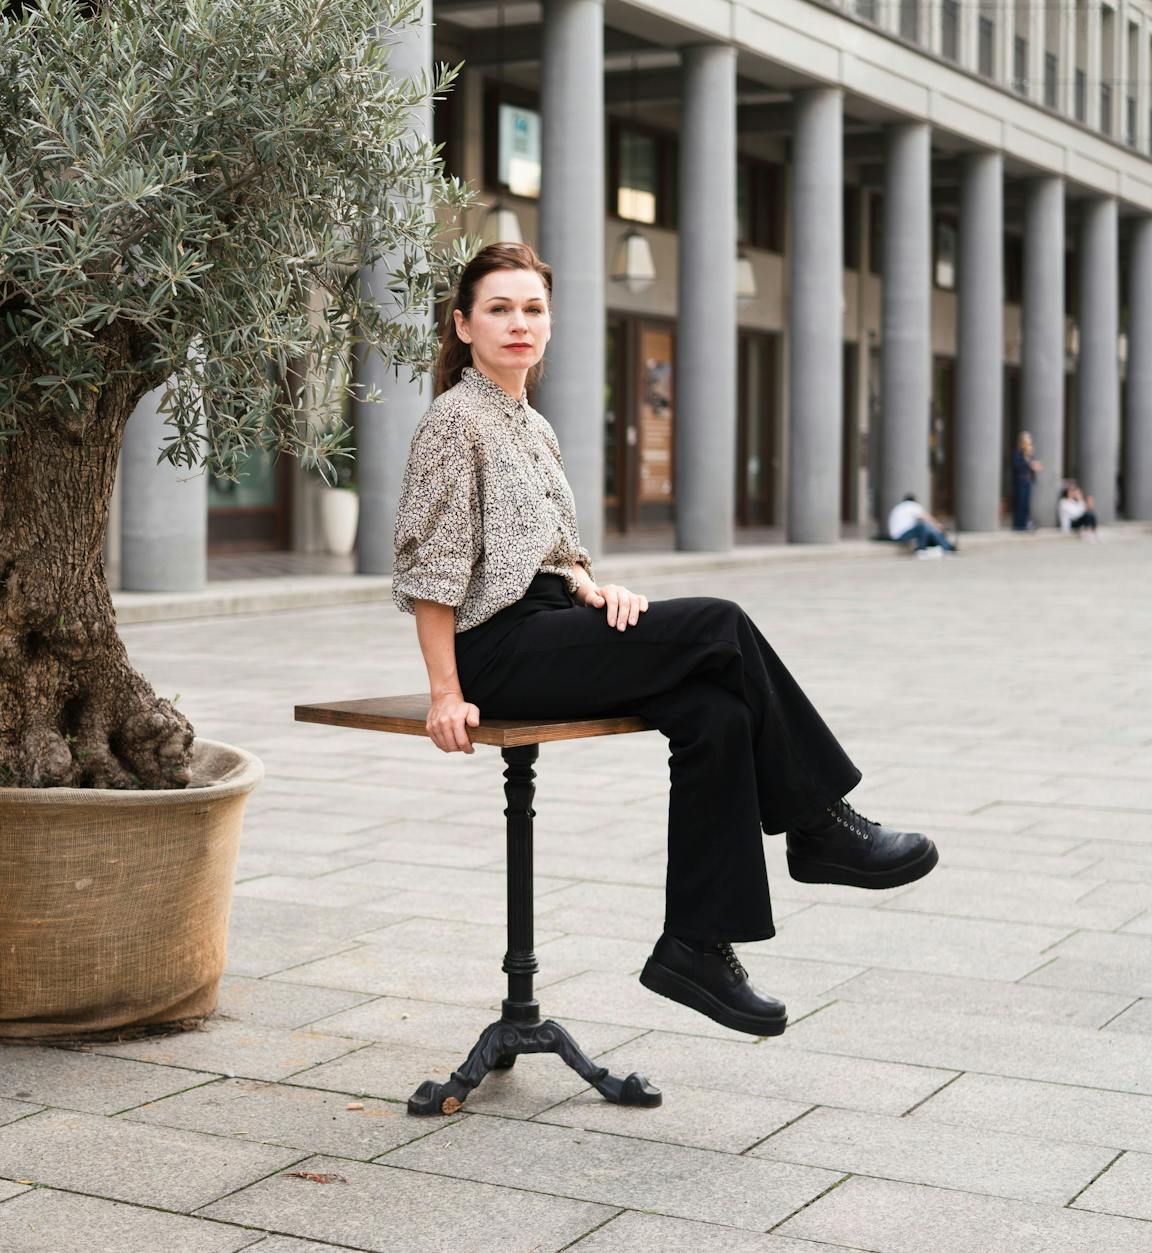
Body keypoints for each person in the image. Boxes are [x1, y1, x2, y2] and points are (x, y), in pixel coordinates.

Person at [391, 242, 939, 1041]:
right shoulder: (454, 420)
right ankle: (820, 824)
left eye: (533, 308)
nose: (518, 323)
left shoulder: (532, 425)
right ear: (463, 324)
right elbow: (431, 571)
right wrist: (445, 691)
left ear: (550, 324)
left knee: (716, 710)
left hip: (552, 621)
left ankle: (696, 944)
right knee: (720, 621)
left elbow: (549, 550)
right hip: (499, 648)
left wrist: (590, 585)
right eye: (500, 309)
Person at [886, 493, 957, 558]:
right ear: (914, 500)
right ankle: (922, 549)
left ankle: (945, 546)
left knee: (925, 529)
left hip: (896, 536)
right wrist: (939, 526)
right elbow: (927, 518)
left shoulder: (899, 507)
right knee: (923, 527)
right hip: (903, 536)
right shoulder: (912, 505)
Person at [1011, 431, 1042, 531]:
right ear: (1022, 442)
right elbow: (1017, 466)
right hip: (1020, 482)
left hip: (1028, 482)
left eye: (1030, 442)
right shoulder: (1017, 454)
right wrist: (1029, 463)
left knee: (1026, 504)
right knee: (1019, 502)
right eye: (1027, 442)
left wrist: (1035, 466)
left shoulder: (1030, 455)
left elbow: (1034, 467)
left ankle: (1024, 523)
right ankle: (1018, 525)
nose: (1029, 444)